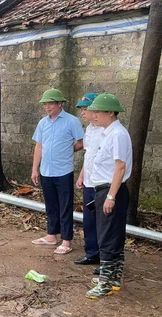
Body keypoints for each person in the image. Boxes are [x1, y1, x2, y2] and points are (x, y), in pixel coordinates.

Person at [85, 93, 132, 299]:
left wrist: (111, 196)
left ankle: (105, 282)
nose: (94, 115)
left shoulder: (118, 134)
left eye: (98, 112)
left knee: (107, 238)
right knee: (112, 235)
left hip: (112, 190)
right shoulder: (107, 133)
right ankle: (113, 277)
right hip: (104, 189)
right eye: (93, 111)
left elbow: (120, 167)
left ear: (111, 112)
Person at [31, 88, 84, 254]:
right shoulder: (43, 123)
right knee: (50, 205)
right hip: (46, 170)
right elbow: (39, 146)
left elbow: (82, 142)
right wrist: (35, 169)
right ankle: (51, 235)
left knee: (65, 205)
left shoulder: (72, 121)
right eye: (45, 104)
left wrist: (69, 150)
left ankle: (66, 240)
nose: (47, 107)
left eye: (51, 103)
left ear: (59, 103)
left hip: (63, 171)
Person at [74, 93, 103, 266]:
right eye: (82, 109)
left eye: (85, 109)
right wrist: (82, 174)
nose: (82, 113)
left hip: (102, 183)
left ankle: (104, 256)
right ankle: (91, 252)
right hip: (89, 182)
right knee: (89, 219)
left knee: (102, 222)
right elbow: (89, 154)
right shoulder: (90, 129)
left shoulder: (105, 130)